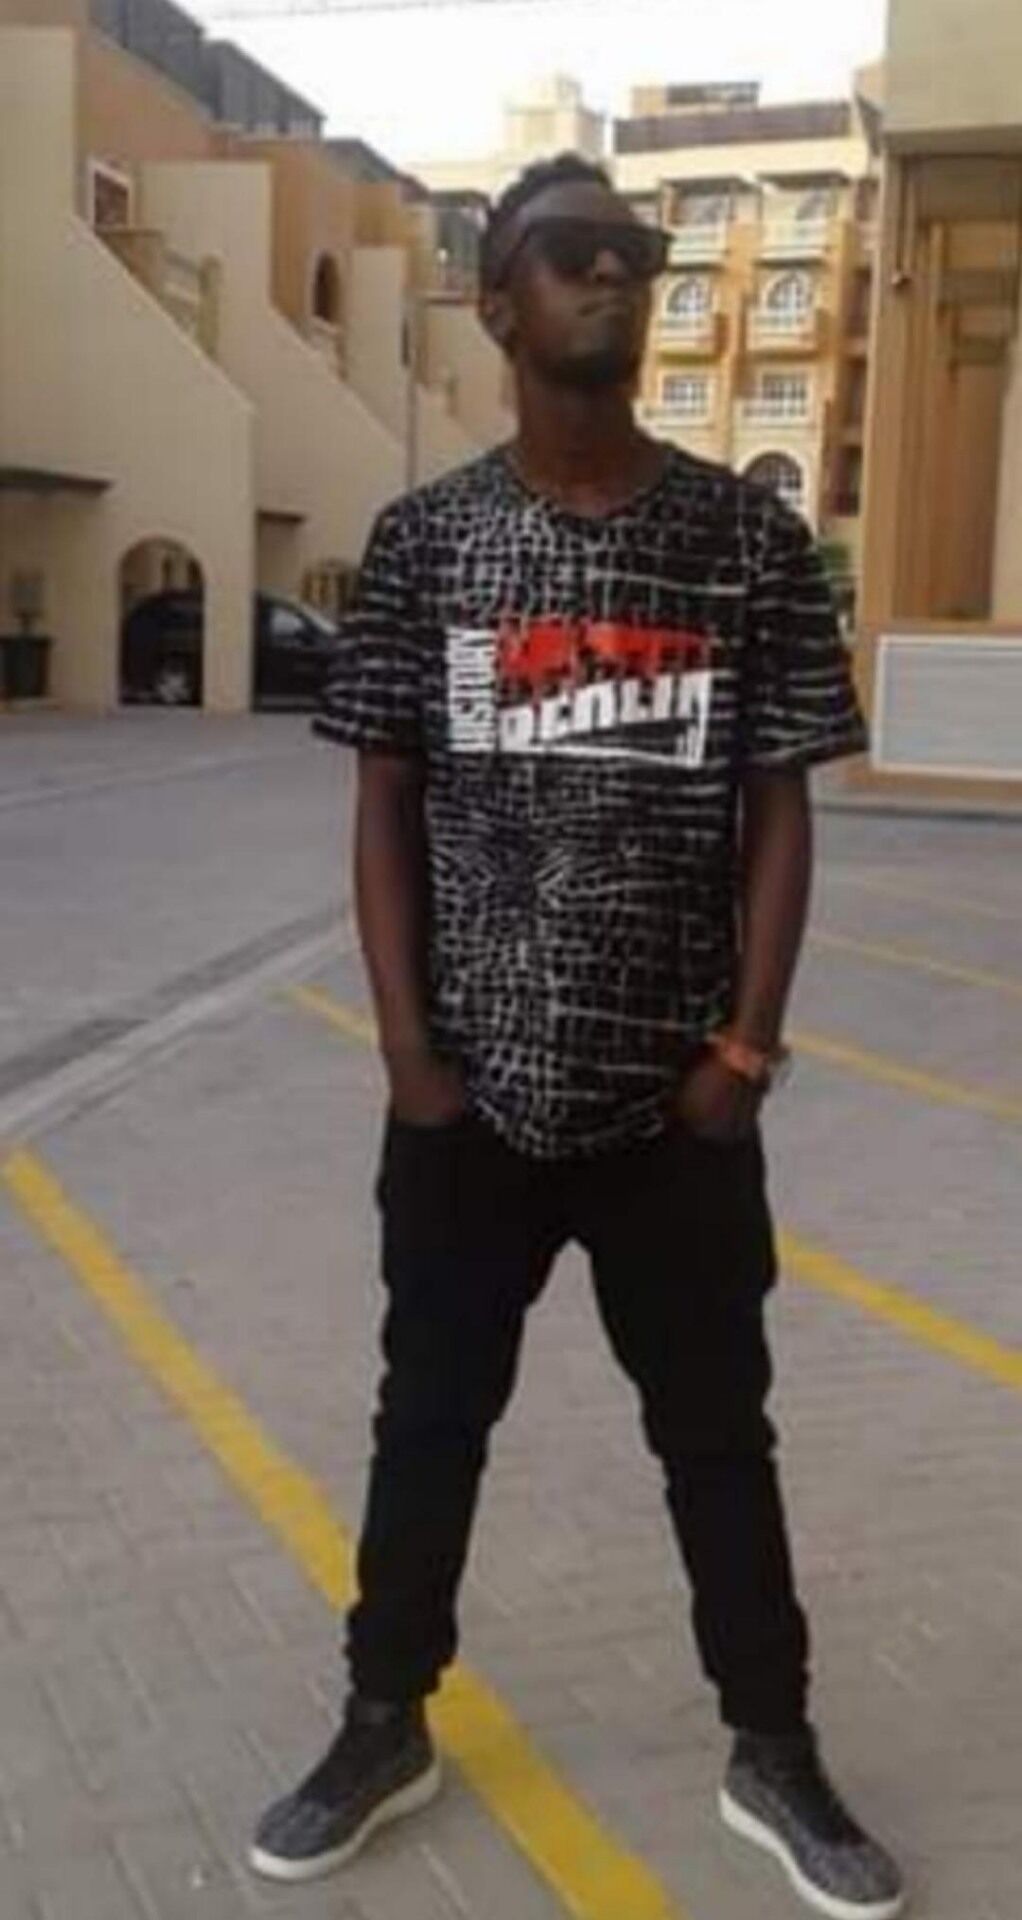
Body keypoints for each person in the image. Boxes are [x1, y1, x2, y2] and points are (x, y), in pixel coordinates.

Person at [250, 154, 905, 1919]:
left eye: (634, 254)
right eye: (570, 254)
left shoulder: (742, 542)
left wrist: (744, 1053)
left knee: (718, 1435)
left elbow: (779, 806)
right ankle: (382, 1721)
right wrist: (408, 1053)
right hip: (469, 1100)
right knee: (428, 1422)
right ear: (498, 301)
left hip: (673, 1106)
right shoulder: (425, 541)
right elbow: (384, 802)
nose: (611, 276)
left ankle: (772, 1747)